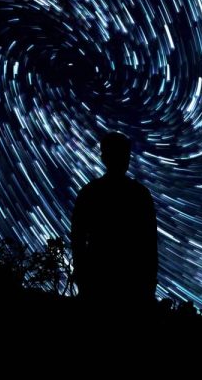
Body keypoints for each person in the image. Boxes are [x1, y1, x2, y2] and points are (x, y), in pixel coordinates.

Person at [70, 131, 157, 307]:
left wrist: (82, 274)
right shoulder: (139, 194)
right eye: (120, 154)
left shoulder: (90, 192)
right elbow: (149, 242)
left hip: (106, 280)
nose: (124, 159)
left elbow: (78, 239)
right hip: (125, 282)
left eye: (124, 154)